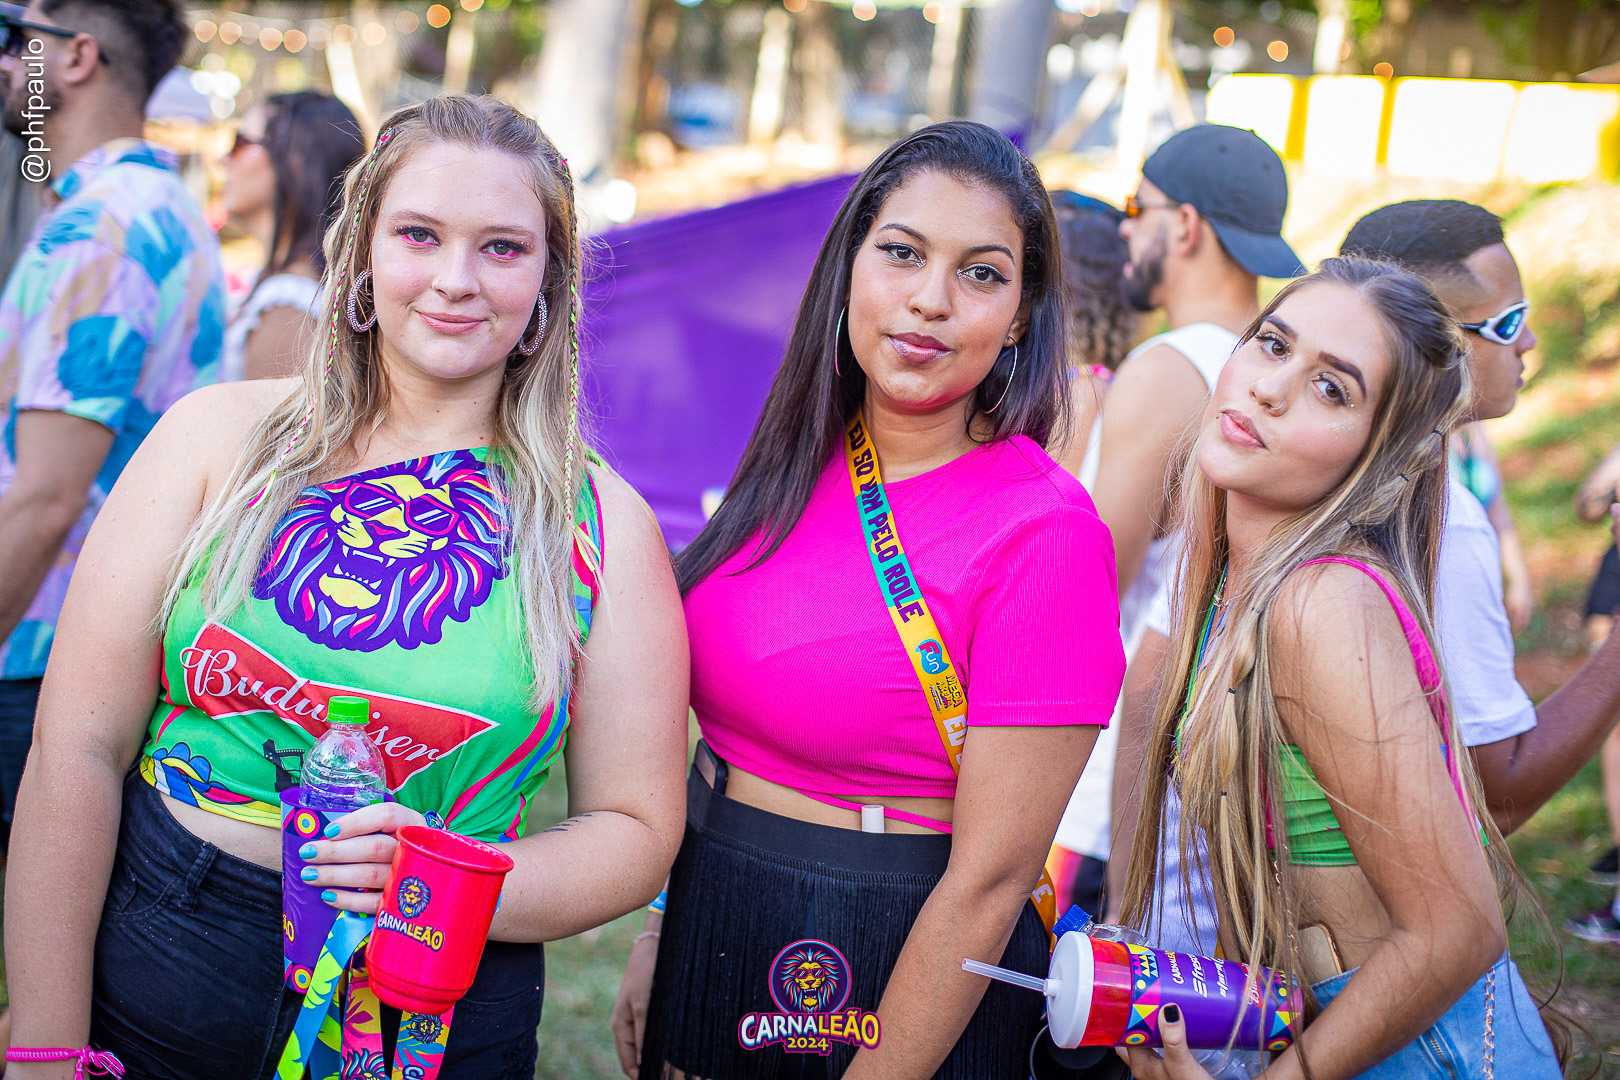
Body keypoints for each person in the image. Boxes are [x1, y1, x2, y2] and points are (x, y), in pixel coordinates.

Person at [3, 94, 689, 1079]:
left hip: (439, 985)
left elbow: (635, 829)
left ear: (550, 279)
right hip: (166, 953)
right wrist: (45, 1044)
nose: (455, 280)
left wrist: (453, 885)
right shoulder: (215, 440)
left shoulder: (602, 526)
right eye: (419, 235)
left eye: (502, 248)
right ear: (362, 248)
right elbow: (76, 746)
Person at [612, 120, 1125, 1080]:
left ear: (1021, 315)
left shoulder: (1044, 531)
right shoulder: (795, 458)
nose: (931, 300)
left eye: (981, 274)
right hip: (713, 911)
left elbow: (992, 884)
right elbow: (719, 745)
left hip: (893, 957)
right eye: (902, 253)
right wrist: (660, 933)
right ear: (849, 266)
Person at [1119, 256, 1563, 1080]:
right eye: (1272, 344)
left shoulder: (1322, 605)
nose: (1270, 389)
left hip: (1424, 1053)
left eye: (1332, 388)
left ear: (1375, 452)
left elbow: (1459, 930)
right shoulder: (1232, 583)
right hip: (1331, 1032)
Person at [1053, 124, 1304, 918]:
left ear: (1186, 225)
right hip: (1201, 780)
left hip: (1100, 791)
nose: (1125, 231)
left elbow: (1084, 589)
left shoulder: (1170, 367)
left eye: (1138, 209)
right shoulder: (1276, 374)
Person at [0, 0, 224, 854]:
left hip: (33, 644)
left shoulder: (101, 228)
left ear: (75, 57)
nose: (5, 62)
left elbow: (46, 498)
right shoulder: (158, 203)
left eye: (18, 39)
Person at [220, 91, 364, 381]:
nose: (223, 159)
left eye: (240, 144)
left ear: (296, 162)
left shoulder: (289, 310)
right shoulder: (294, 290)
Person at [1450, 420, 1534, 631]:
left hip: (1480, 578)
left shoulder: (1473, 428)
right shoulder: (1420, 435)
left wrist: (1519, 581)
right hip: (1442, 584)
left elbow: (1499, 515)